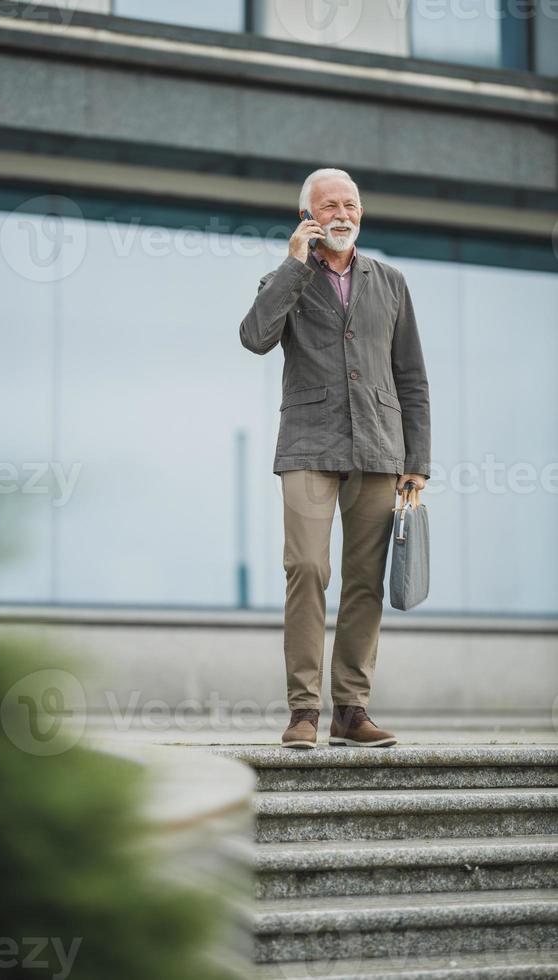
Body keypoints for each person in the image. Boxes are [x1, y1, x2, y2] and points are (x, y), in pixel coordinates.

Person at [239, 168, 431, 749]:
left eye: (350, 204)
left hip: (379, 445)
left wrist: (416, 461)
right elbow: (254, 337)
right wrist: (296, 264)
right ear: (309, 216)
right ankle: (303, 710)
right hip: (307, 444)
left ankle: (350, 709)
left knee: (365, 580)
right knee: (307, 569)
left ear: (361, 213)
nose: (341, 214)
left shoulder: (391, 282)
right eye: (328, 206)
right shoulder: (283, 278)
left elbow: (412, 377)